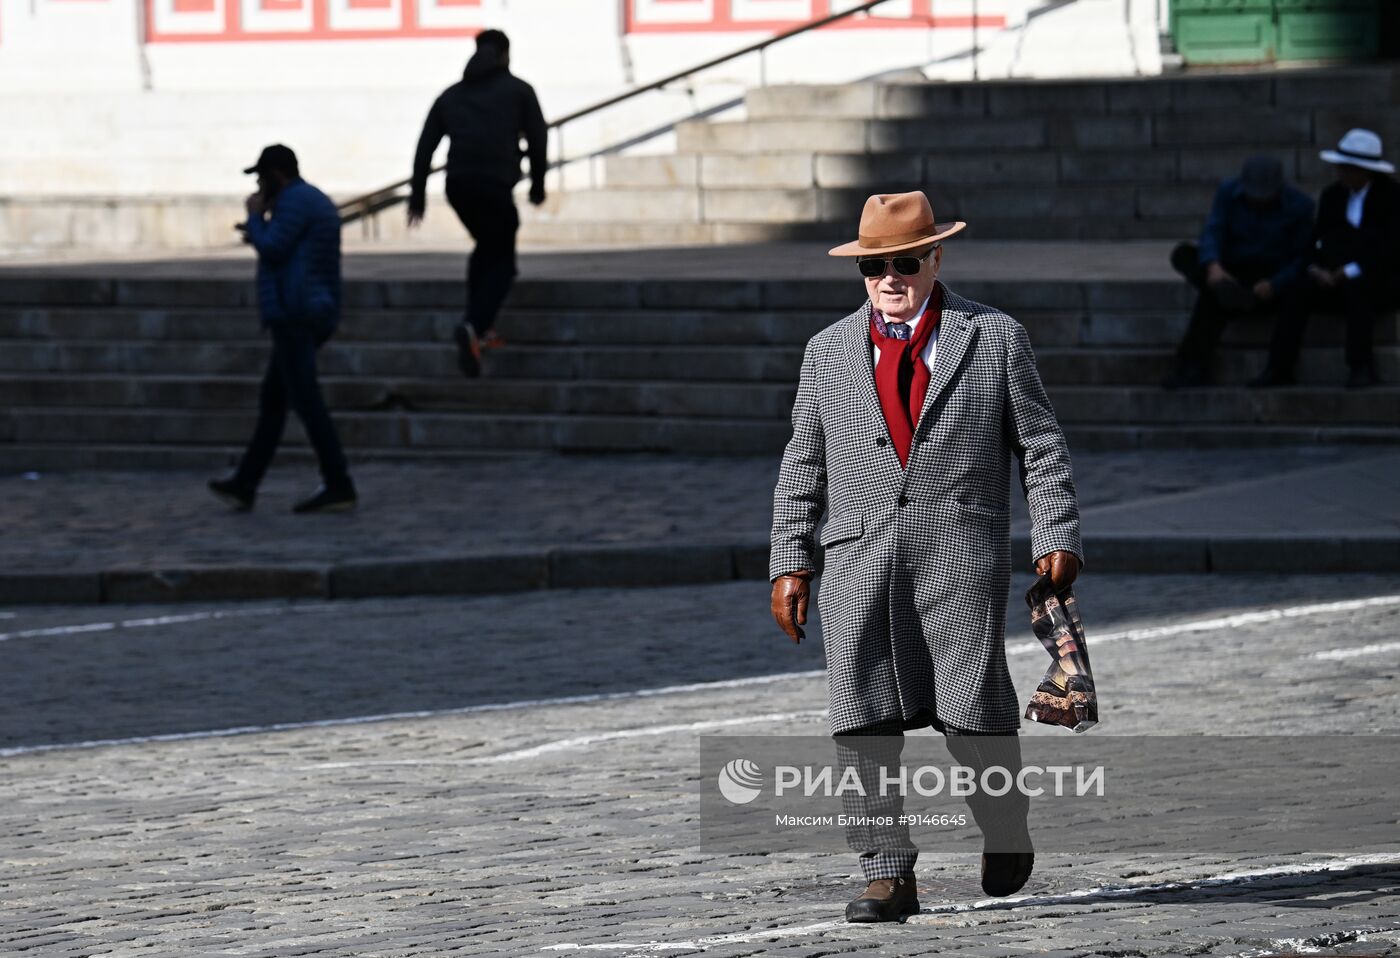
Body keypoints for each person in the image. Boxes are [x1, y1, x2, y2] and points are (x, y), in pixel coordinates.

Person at [768, 191, 1084, 923]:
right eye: (874, 265)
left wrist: (1056, 534)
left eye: (905, 262)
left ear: (935, 258)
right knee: (860, 716)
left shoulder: (994, 336)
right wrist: (790, 559)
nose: (890, 277)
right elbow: (801, 465)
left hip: (959, 554)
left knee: (973, 705)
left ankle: (1003, 824)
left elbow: (1040, 446)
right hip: (857, 559)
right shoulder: (826, 353)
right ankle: (886, 872)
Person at [209, 144, 357, 514]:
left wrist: (256, 218)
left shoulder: (294, 200)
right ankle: (246, 483)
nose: (259, 186)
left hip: (297, 312)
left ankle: (338, 482)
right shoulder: (305, 200)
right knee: (275, 400)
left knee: (306, 401)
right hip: (305, 309)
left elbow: (275, 247)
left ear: (276, 175)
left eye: (261, 177)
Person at [408, 29, 548, 378]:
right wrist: (538, 183)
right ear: (504, 54)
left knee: (486, 247)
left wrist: (418, 194)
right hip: (495, 184)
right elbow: (538, 138)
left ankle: (478, 328)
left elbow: (425, 145)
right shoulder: (519, 90)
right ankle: (475, 323)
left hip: (458, 186)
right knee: (504, 263)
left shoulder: (451, 95)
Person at [1162, 155, 1315, 389]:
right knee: (1188, 259)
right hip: (1232, 271)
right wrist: (1214, 266)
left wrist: (1275, 283)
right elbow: (1213, 230)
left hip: (1270, 274)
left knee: (1300, 286)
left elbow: (1301, 257)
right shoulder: (1228, 193)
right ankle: (1192, 364)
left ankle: (1279, 368)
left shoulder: (1300, 206)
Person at [1280, 128, 1400, 389]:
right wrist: (1316, 268)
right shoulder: (1332, 196)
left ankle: (1360, 365)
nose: (1342, 173)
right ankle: (1280, 365)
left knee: (1360, 289)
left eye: (1348, 168)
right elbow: (1318, 238)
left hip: (1378, 280)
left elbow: (1390, 248)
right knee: (1297, 288)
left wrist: (1352, 270)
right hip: (1333, 276)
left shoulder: (1392, 198)